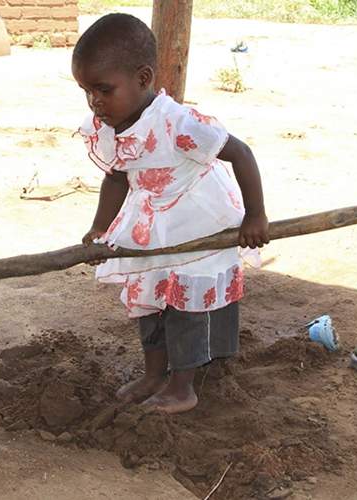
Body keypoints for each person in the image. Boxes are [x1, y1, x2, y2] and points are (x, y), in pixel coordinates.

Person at [73, 13, 269, 414]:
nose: (95, 101)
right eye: (86, 91)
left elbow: (241, 153)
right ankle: (153, 374)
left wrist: (255, 216)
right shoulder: (110, 125)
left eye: (103, 90)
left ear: (143, 79)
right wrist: (100, 227)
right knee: (151, 301)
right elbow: (117, 178)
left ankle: (183, 386)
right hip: (154, 224)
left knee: (187, 306)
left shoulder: (179, 123)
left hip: (200, 224)